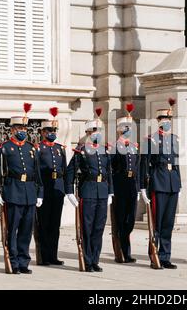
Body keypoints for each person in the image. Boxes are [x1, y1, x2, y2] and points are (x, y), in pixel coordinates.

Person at [0, 103, 44, 274]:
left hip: (30, 193)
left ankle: (23, 262)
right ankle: (12, 261)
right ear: (12, 129)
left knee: (27, 230)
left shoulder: (31, 149)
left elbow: (38, 175)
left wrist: (40, 193)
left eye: (24, 128)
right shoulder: (3, 148)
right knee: (12, 230)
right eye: (19, 128)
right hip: (12, 192)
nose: (22, 131)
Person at [65, 108, 114, 272]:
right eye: (95, 130)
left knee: (99, 228)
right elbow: (70, 171)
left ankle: (95, 260)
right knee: (87, 227)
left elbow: (109, 172)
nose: (98, 133)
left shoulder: (104, 150)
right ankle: (86, 260)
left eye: (99, 130)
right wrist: (69, 191)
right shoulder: (82, 150)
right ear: (88, 132)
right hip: (88, 191)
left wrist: (110, 192)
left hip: (102, 191)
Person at [140, 98, 181, 269]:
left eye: (169, 119)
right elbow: (144, 164)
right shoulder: (151, 140)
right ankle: (154, 255)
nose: (167, 122)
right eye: (164, 119)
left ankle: (165, 256)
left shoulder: (175, 139)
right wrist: (143, 187)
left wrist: (180, 183)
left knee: (168, 223)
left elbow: (177, 163)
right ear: (158, 121)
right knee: (156, 222)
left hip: (172, 183)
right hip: (158, 182)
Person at [36, 107, 67, 265]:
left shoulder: (59, 148)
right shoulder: (38, 149)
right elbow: (37, 172)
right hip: (45, 188)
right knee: (44, 224)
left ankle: (53, 255)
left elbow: (65, 171)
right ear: (42, 132)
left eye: (53, 130)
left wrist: (68, 191)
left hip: (58, 189)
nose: (51, 133)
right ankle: (43, 256)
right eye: (48, 130)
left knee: (55, 224)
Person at [111, 103, 140, 263]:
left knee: (130, 220)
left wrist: (139, 188)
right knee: (121, 219)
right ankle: (121, 252)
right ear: (119, 129)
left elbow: (138, 167)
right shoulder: (115, 147)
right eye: (125, 126)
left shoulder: (134, 147)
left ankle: (125, 249)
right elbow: (111, 168)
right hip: (120, 185)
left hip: (131, 186)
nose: (128, 129)